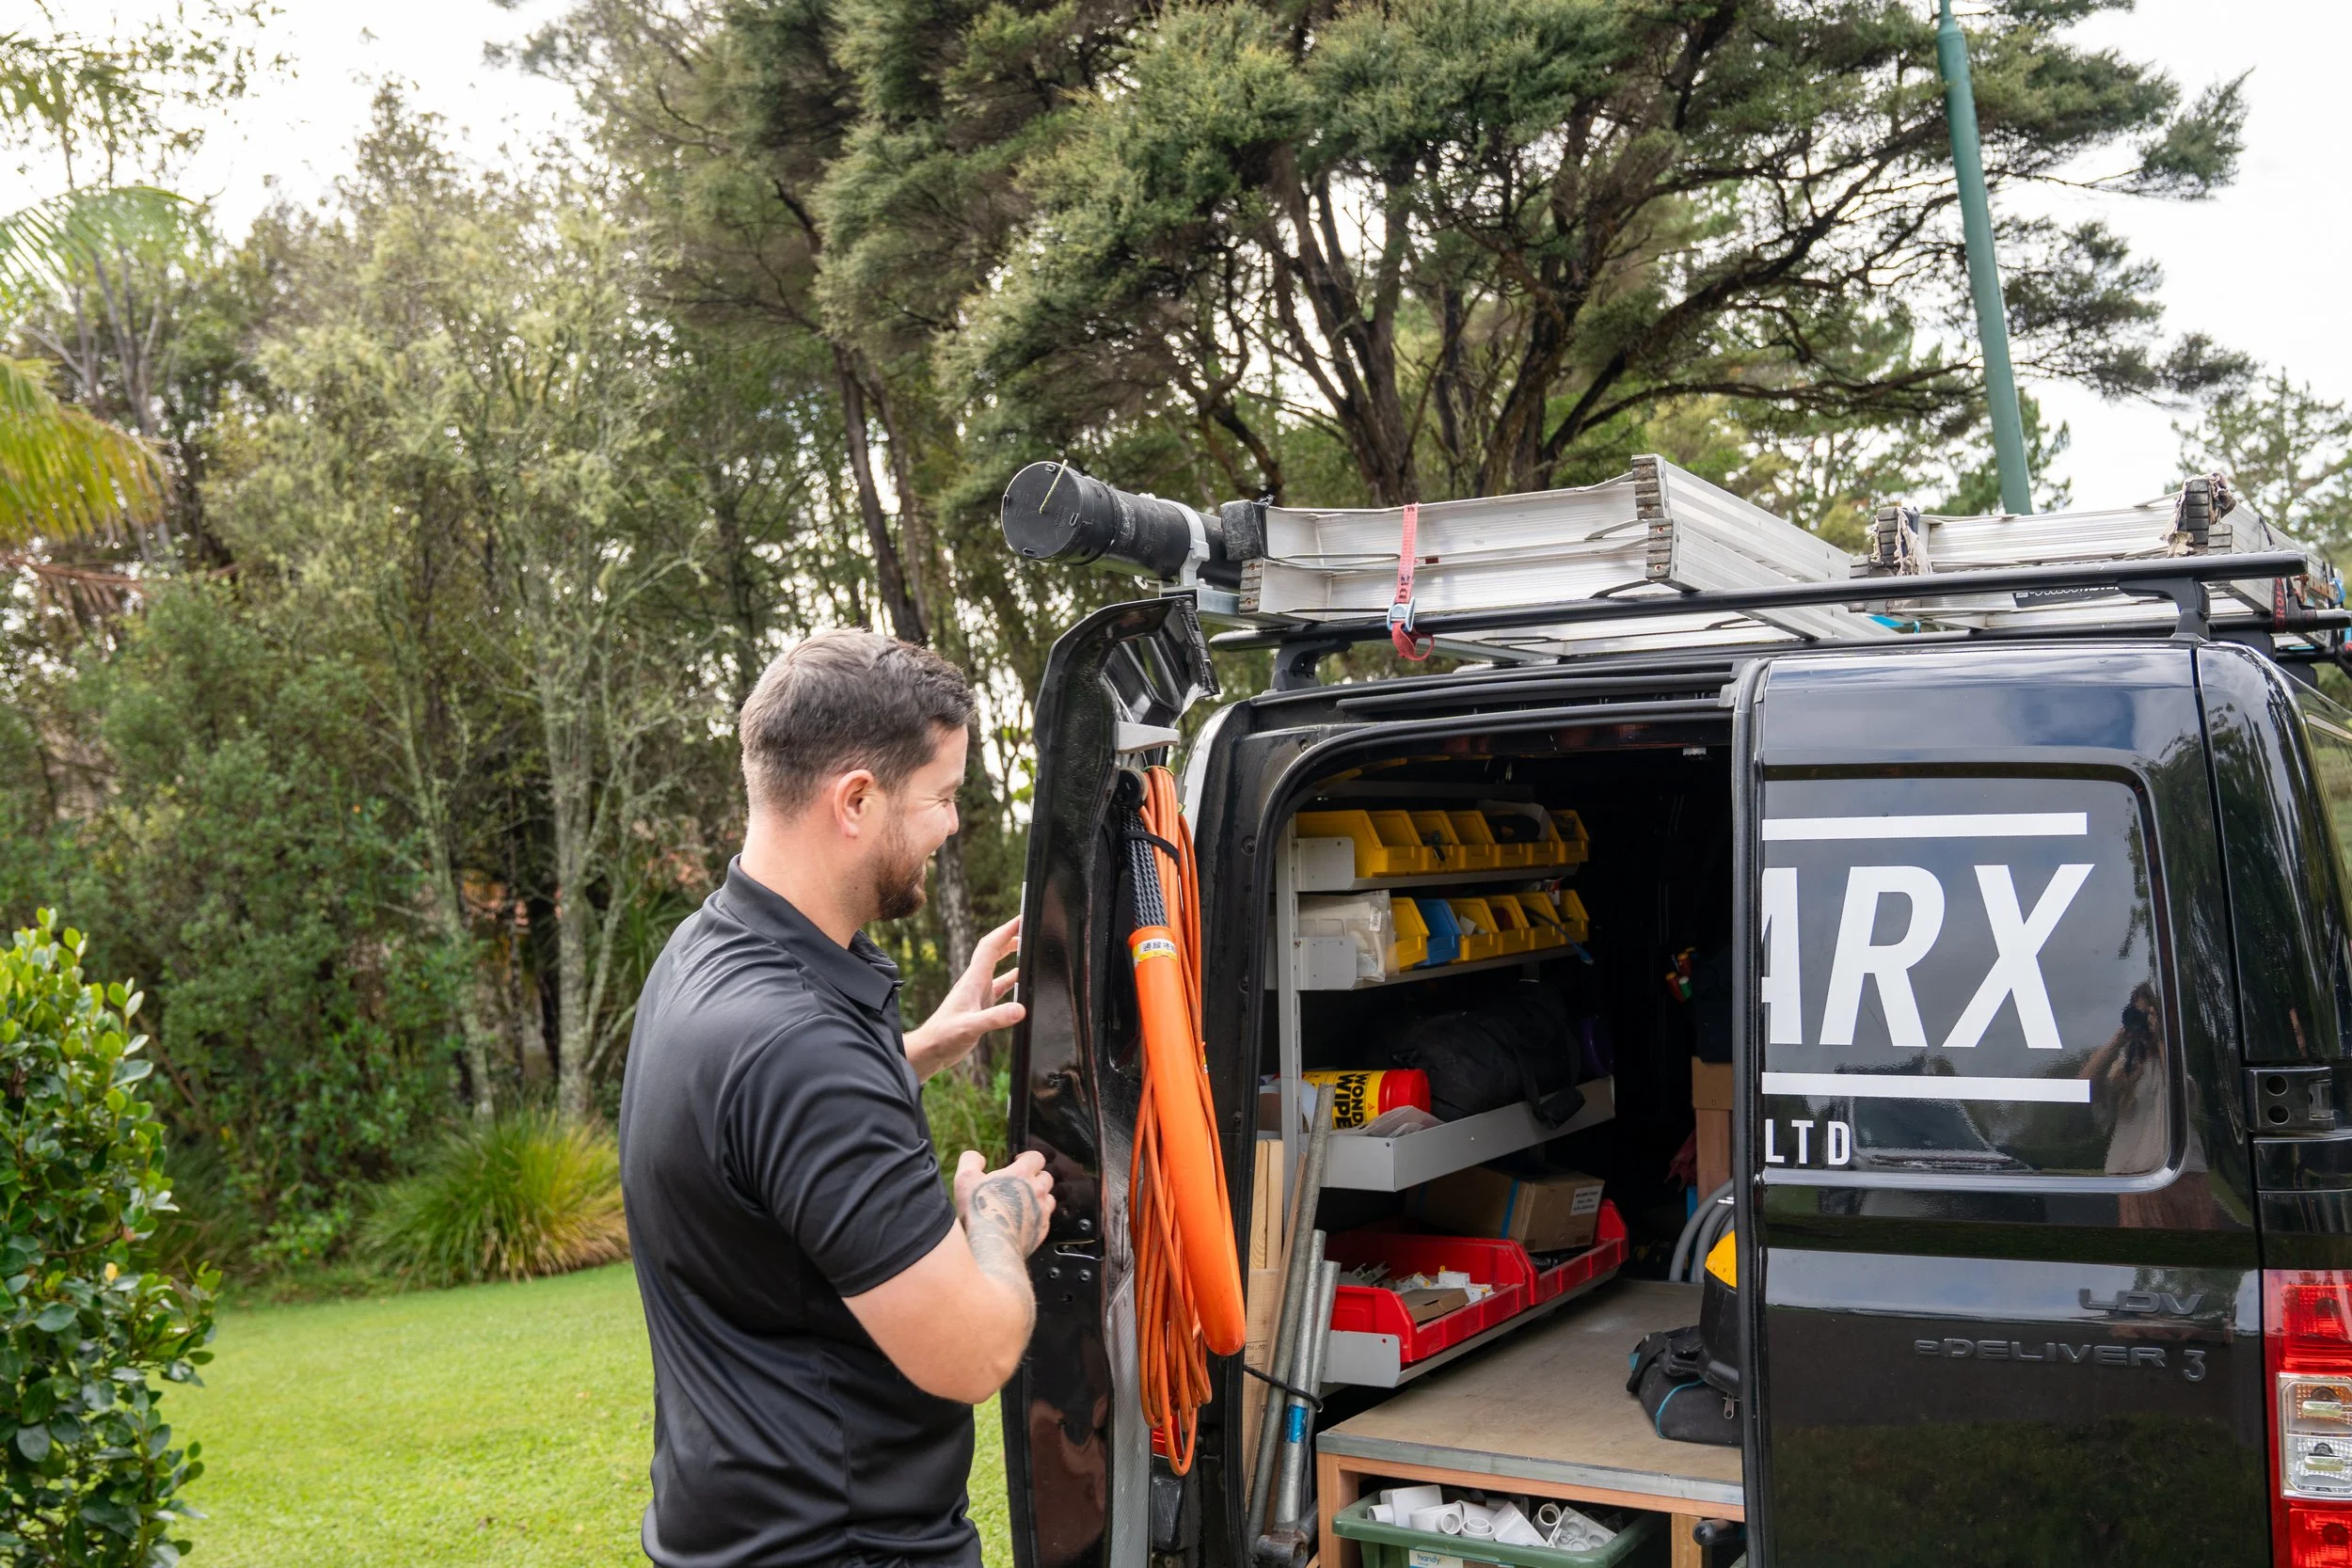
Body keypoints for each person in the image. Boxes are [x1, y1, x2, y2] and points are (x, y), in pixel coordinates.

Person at [619, 628, 1055, 1568]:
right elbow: (971, 1352)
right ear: (855, 798)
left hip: (736, 1533)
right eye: (940, 796)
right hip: (846, 1544)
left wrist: (913, 1050)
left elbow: (752, 1135)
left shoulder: (711, 951)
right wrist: (997, 1220)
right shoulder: (799, 1048)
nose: (949, 824)